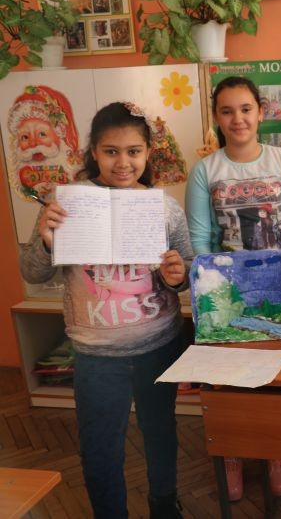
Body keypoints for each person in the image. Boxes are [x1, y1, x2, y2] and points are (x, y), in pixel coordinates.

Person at [19, 102, 191, 518]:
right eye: (111, 151)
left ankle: (164, 504)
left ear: (148, 152)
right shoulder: (66, 205)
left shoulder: (164, 207)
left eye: (133, 151)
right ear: (94, 151)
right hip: (95, 353)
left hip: (158, 344)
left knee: (160, 430)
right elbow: (32, 273)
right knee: (100, 446)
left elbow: (185, 271)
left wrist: (178, 275)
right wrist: (46, 239)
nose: (123, 162)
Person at [185, 76, 281, 501]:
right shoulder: (205, 171)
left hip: (280, 288)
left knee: (276, 378)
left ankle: (276, 451)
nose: (237, 119)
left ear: (261, 112)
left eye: (245, 109)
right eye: (227, 111)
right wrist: (219, 287)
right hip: (227, 294)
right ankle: (232, 455)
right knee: (228, 382)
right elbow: (200, 240)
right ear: (216, 117)